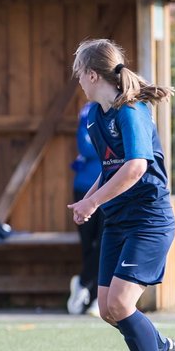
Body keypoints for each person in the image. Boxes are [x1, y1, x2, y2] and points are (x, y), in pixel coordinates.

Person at [68, 39, 175, 351]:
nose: (79, 83)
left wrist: (94, 203)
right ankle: (161, 347)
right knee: (106, 309)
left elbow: (135, 167)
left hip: (148, 221)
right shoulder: (96, 117)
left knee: (120, 304)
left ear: (91, 74)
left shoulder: (131, 111)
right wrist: (88, 201)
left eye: (79, 75)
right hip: (119, 221)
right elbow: (111, 168)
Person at [68, 101, 103, 315]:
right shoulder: (88, 110)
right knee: (88, 245)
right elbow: (85, 145)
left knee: (106, 242)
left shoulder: (123, 107)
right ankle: (88, 293)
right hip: (84, 186)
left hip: (111, 188)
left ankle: (89, 288)